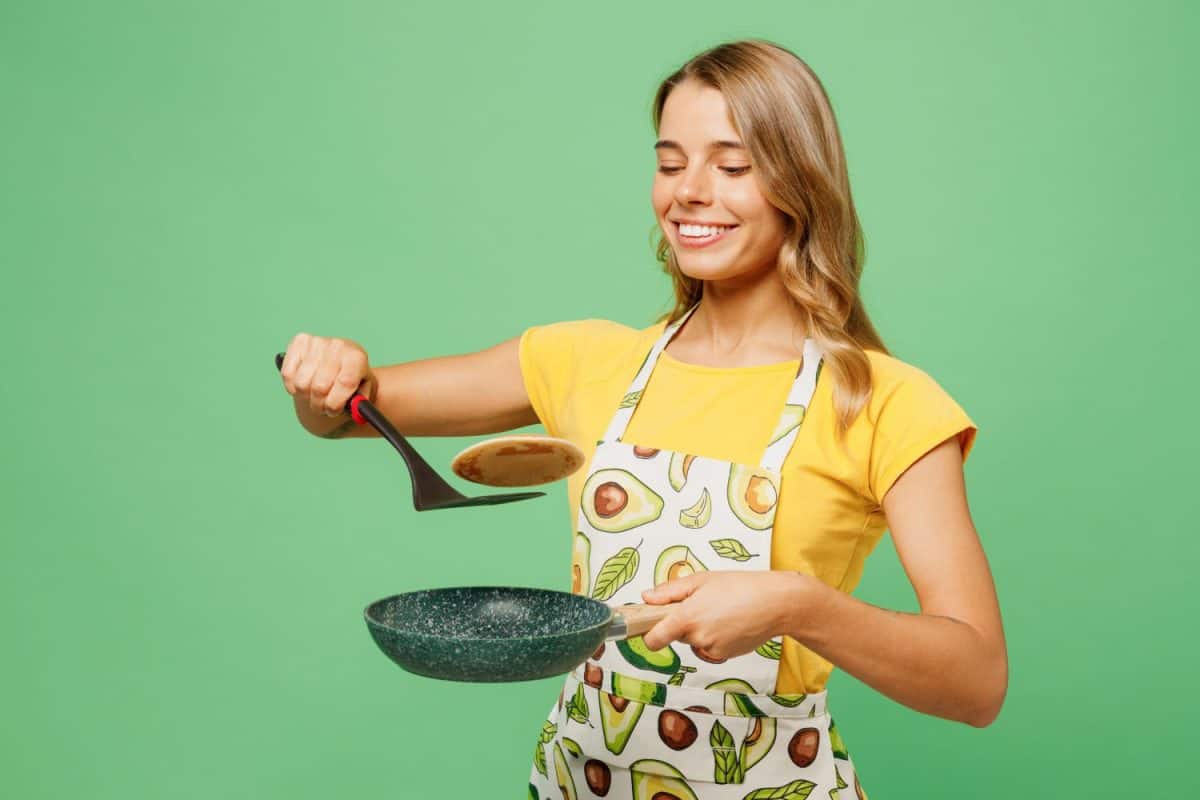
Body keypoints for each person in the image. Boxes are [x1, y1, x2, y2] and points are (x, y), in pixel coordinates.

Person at [278, 38, 1007, 800]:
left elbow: (977, 681)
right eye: (669, 163)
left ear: (801, 181)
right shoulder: (586, 360)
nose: (689, 191)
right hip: (580, 779)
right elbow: (345, 414)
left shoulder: (882, 401)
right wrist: (326, 376)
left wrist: (800, 604)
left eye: (732, 166)